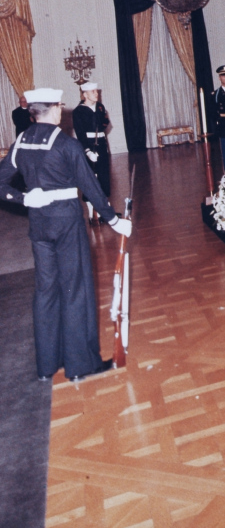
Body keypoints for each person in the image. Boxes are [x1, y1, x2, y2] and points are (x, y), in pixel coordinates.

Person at [0, 88, 132, 382]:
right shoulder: (66, 145)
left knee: (46, 290)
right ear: (54, 110)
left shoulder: (20, 142)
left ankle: (46, 366)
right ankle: (78, 366)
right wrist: (113, 220)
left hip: (39, 224)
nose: (62, 110)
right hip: (67, 223)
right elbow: (91, 185)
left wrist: (23, 199)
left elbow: (1, 183)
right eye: (60, 105)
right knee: (75, 289)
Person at [72, 82, 111, 223]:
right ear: (85, 94)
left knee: (104, 176)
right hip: (88, 145)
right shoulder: (78, 111)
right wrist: (87, 151)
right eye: (93, 92)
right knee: (90, 179)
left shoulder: (100, 107)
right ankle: (91, 214)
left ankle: (104, 210)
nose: (96, 94)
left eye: (97, 91)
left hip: (101, 144)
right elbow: (80, 133)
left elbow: (105, 124)